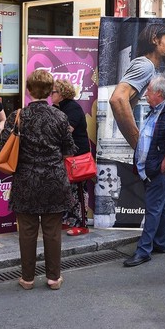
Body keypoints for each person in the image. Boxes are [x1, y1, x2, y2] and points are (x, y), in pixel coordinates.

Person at [0, 69, 76, 290]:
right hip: (53, 179)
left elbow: (6, 145)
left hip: (26, 181)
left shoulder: (18, 116)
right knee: (52, 231)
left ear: (29, 90)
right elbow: (69, 150)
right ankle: (53, 278)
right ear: (50, 91)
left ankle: (27, 278)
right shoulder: (60, 116)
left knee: (27, 231)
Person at [125, 76, 165, 267]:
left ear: (159, 93)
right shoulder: (156, 110)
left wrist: (160, 169)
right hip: (149, 169)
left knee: (152, 209)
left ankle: (143, 251)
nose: (145, 94)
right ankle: (161, 243)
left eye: (149, 91)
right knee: (158, 206)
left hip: (155, 170)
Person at [109, 22, 165, 150]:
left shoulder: (148, 66)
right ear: (155, 40)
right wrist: (140, 146)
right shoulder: (146, 66)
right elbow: (117, 100)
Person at [52, 78, 91, 236]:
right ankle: (68, 220)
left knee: (79, 191)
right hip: (67, 156)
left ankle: (82, 224)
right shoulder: (59, 107)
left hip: (78, 157)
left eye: (53, 92)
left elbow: (67, 130)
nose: (50, 94)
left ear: (61, 93)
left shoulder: (72, 108)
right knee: (67, 190)